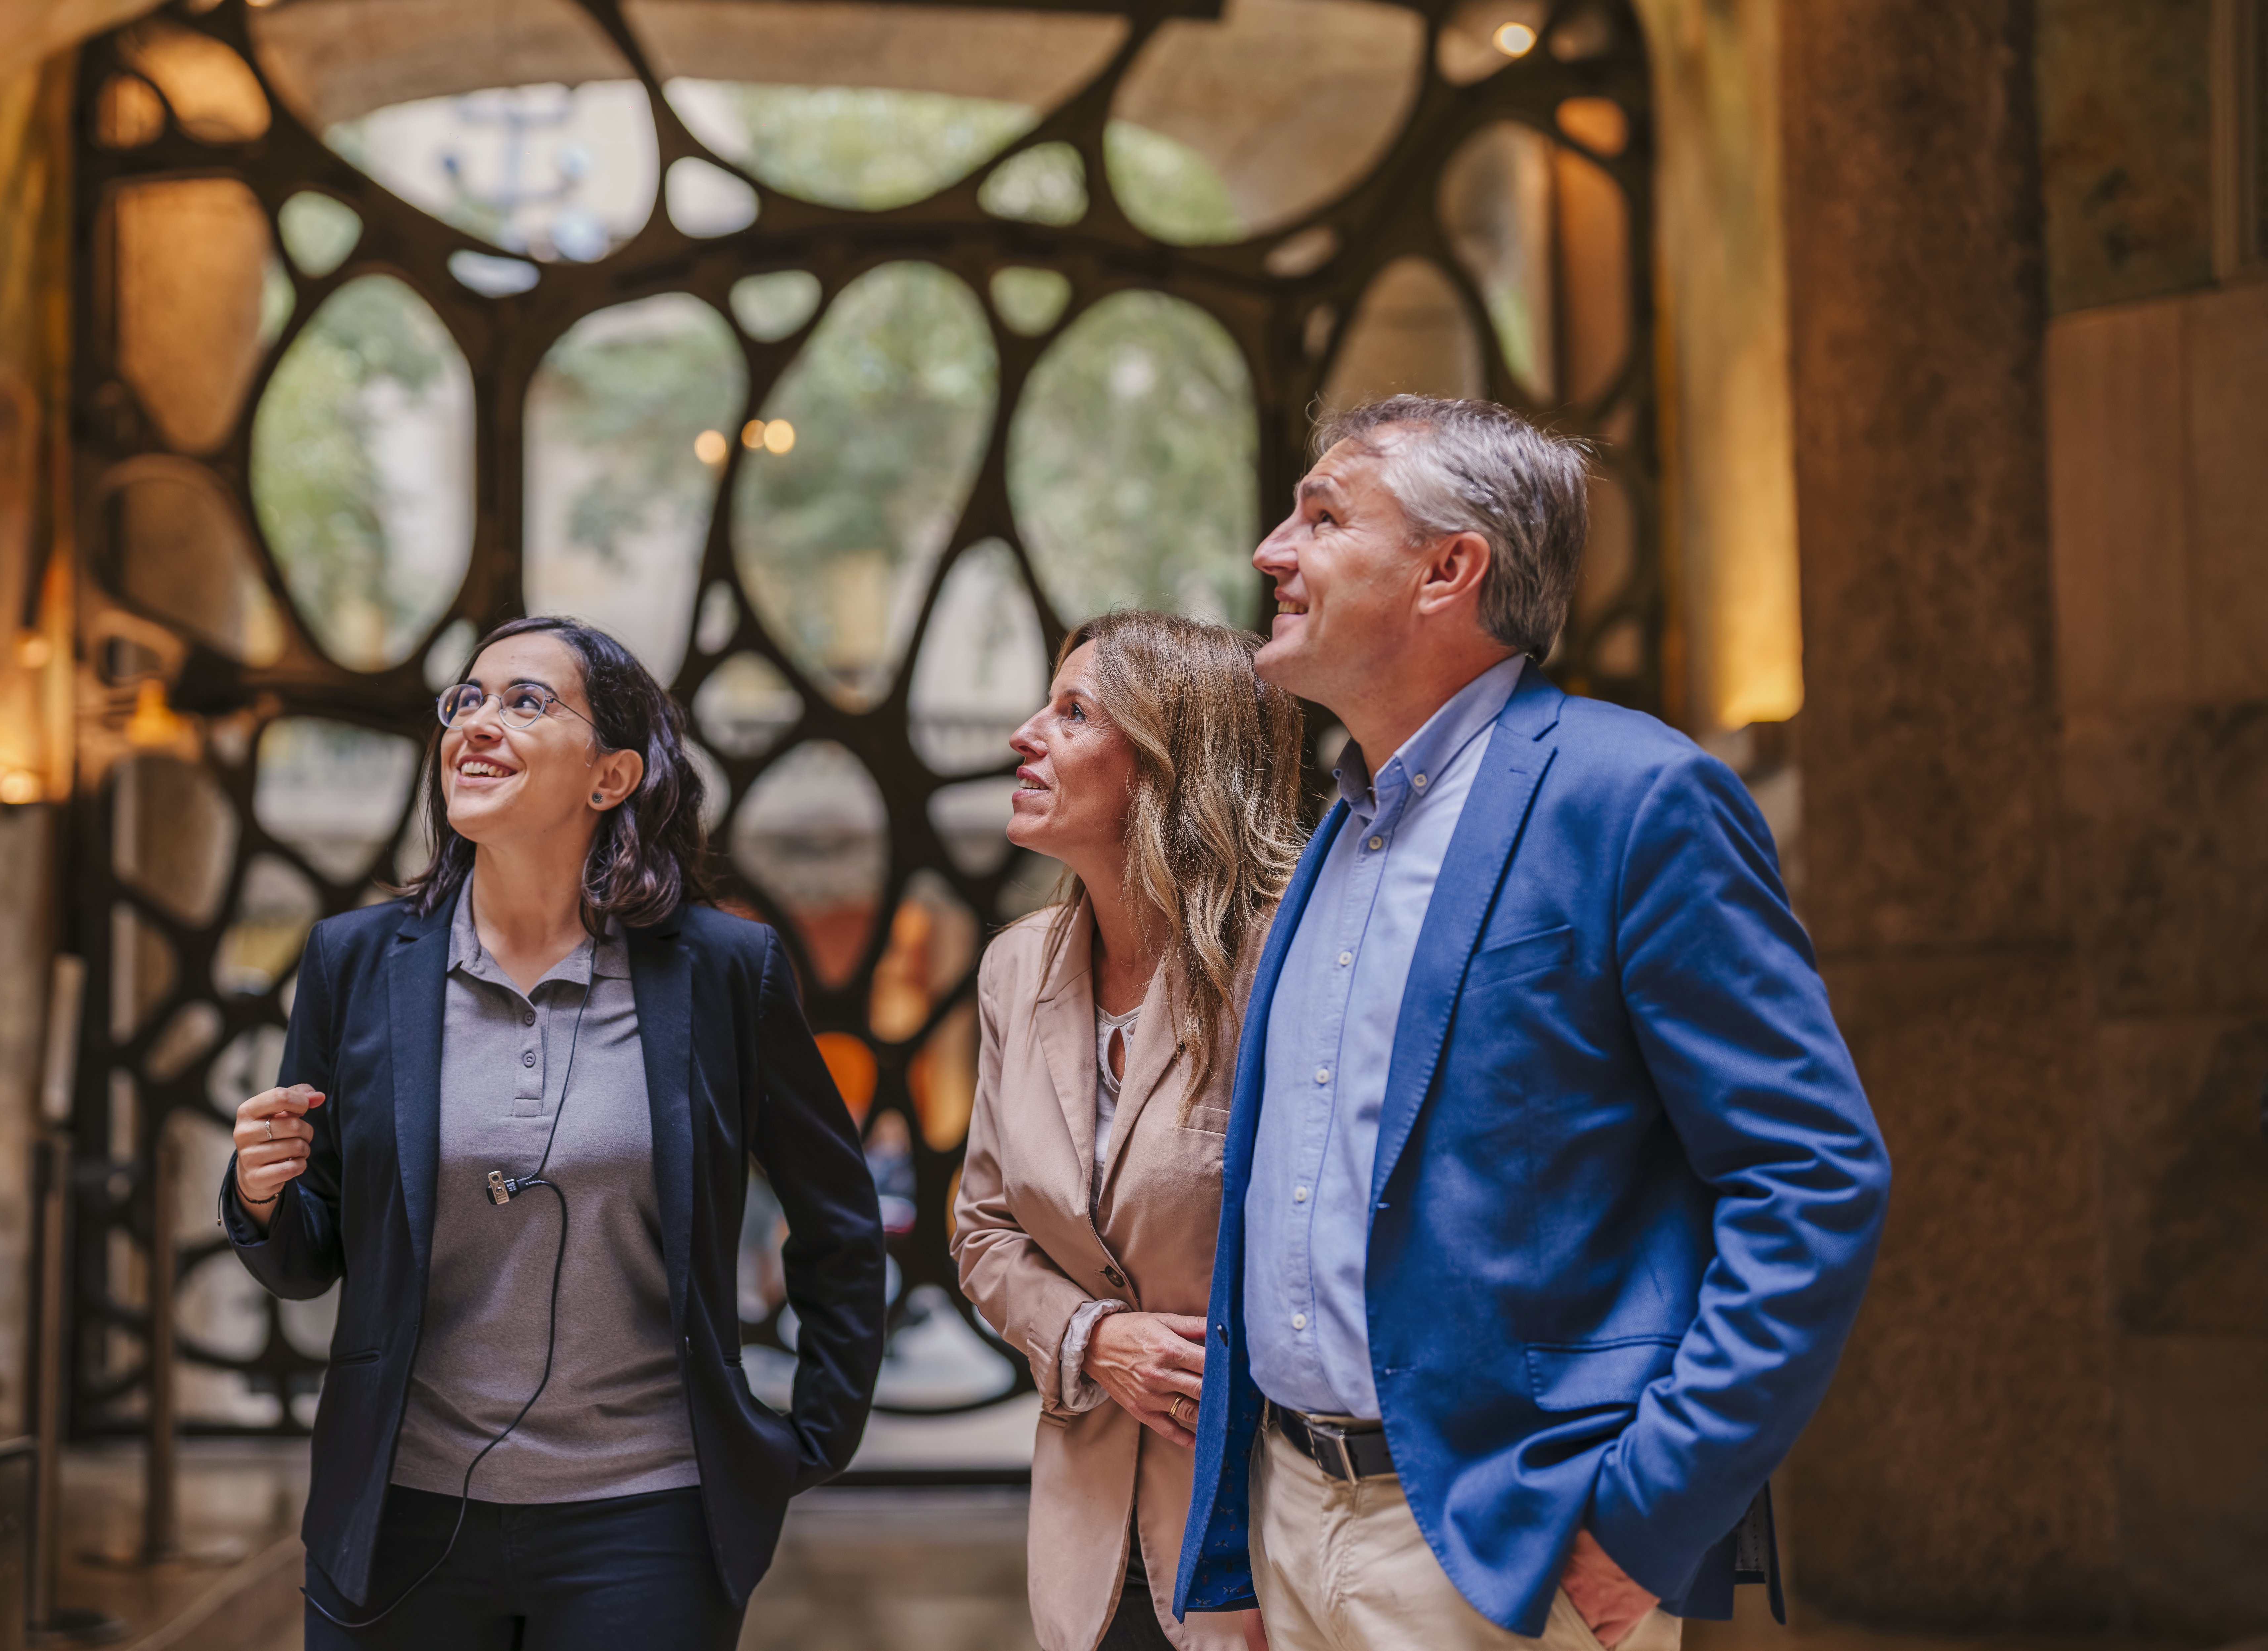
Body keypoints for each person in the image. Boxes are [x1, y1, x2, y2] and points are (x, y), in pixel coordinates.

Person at [1172, 397, 1891, 1651]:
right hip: (1292, 1521)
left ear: (1451, 569)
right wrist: (1246, 1540)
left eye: (1322, 514)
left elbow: (1814, 1178)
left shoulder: (1639, 799)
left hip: (1511, 1546)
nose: (1270, 552)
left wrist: (1646, 1519)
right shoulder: (1337, 831)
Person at [221, 615, 887, 1648]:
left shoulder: (722, 972)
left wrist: (811, 1434)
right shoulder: (354, 962)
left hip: (649, 1520)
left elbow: (838, 1217)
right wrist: (262, 1195)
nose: (477, 725)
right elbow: (313, 1258)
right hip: (397, 1511)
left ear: (611, 776)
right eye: (467, 700)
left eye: (526, 701)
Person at [956, 611, 1302, 1651]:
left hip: (1266, 1527)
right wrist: (1093, 1337)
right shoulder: (1016, 968)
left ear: (1167, 761)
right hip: (1085, 1540)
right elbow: (982, 1233)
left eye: (1071, 713)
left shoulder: (1288, 954)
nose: (1025, 735)